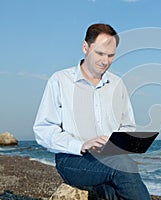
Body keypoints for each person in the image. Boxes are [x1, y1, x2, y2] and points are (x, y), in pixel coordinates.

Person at [33, 23, 151, 200]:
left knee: (114, 184)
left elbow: (128, 126)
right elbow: (43, 130)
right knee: (124, 168)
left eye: (111, 55)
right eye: (100, 53)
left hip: (110, 158)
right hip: (72, 159)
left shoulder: (118, 85)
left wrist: (118, 143)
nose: (105, 61)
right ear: (85, 47)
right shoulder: (60, 80)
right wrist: (81, 145)